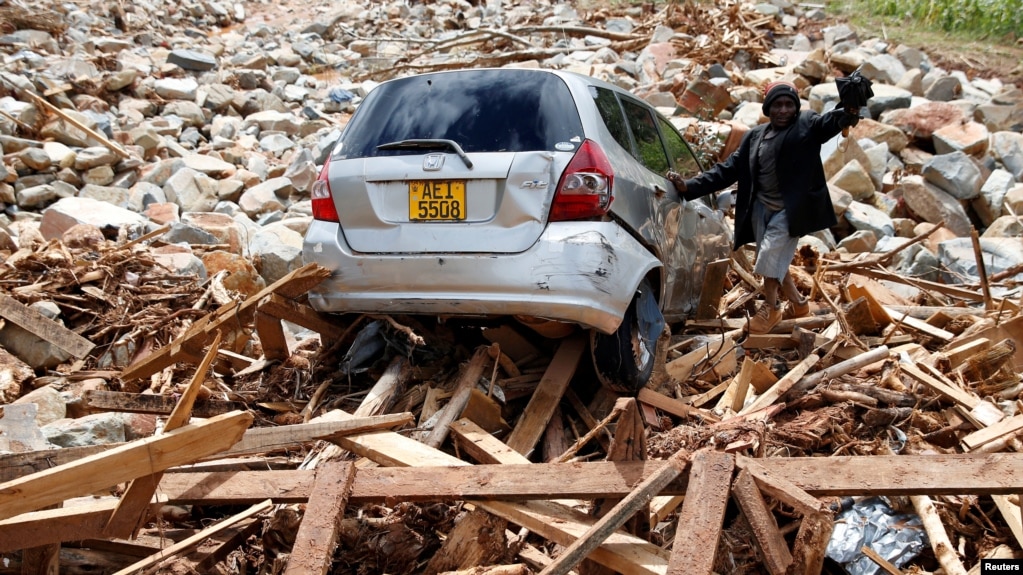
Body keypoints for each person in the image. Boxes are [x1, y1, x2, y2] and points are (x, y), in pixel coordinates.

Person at [667, 80, 859, 334]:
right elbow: (728, 171)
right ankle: (800, 305)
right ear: (768, 108)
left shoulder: (806, 124)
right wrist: (689, 187)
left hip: (789, 211)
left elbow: (830, 123)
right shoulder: (755, 136)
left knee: (769, 256)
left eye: (789, 105)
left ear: (796, 107)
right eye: (777, 105)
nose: (783, 110)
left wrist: (851, 108)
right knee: (772, 258)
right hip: (760, 208)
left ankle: (771, 308)